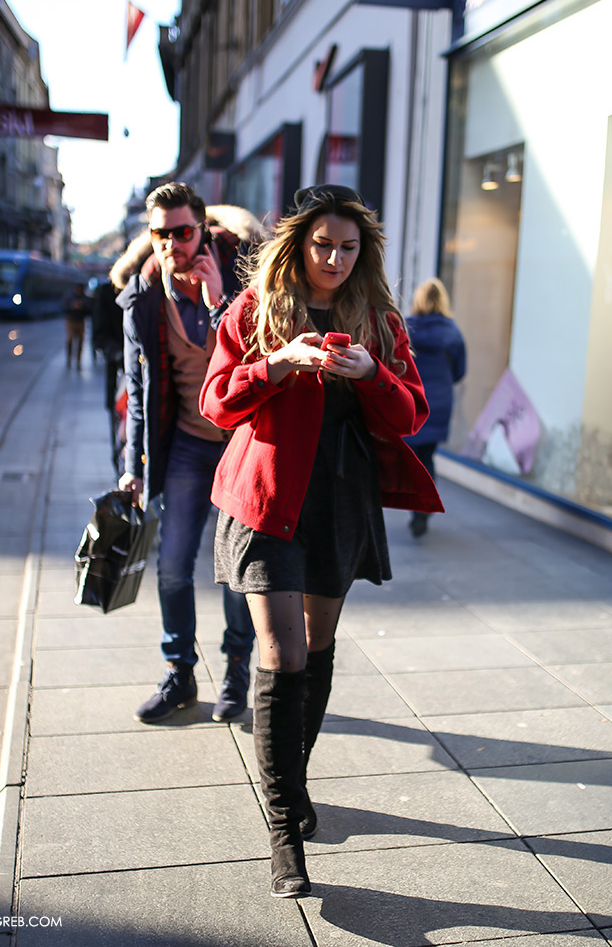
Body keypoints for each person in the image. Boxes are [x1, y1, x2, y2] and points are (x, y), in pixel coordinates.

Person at [199, 184, 443, 898]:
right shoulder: (257, 308)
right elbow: (218, 401)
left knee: (318, 643)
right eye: (322, 244)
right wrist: (278, 364)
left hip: (338, 502)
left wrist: (373, 375)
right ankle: (283, 833)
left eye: (347, 247)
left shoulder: (379, 319)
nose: (334, 258)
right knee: (281, 651)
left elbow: (412, 413)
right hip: (267, 499)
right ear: (298, 243)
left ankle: (292, 777)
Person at [114, 182, 265, 724]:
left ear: (202, 230)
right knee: (174, 566)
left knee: (233, 572)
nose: (172, 244)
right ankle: (179, 673)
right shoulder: (144, 297)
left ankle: (236, 672)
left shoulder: (248, 275)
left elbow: (265, 354)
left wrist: (220, 300)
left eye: (182, 232)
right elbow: (137, 390)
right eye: (161, 234)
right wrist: (133, 468)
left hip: (240, 449)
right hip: (183, 449)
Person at [405, 277, 466, 537]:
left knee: (411, 458)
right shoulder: (451, 331)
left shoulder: (407, 328)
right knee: (428, 457)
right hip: (439, 403)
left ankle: (415, 508)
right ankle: (423, 511)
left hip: (413, 400)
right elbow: (460, 370)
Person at [63, 282, 89, 370]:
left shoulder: (85, 298)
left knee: (80, 342)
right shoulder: (69, 297)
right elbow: (63, 307)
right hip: (70, 321)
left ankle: (78, 360)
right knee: (70, 340)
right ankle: (69, 358)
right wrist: (72, 306)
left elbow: (90, 309)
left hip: (80, 321)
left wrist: (82, 306)